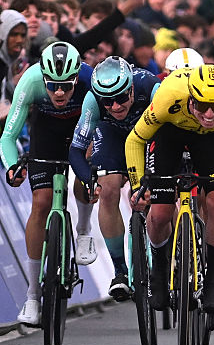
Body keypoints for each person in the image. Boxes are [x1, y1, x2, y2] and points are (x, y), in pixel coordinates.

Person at [125, 64, 214, 333]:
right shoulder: (168, 97)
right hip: (170, 133)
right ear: (191, 98)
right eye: (203, 105)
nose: (209, 114)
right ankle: (159, 270)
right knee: (160, 212)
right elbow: (134, 140)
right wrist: (138, 185)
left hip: (209, 140)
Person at [1, 42, 93, 326]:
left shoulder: (90, 80)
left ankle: (83, 231)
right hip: (45, 134)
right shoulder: (30, 81)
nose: (60, 93)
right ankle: (32, 295)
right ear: (43, 79)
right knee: (41, 204)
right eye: (52, 86)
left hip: (81, 131)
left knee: (87, 176)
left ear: (76, 77)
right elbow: (8, 136)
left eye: (66, 86)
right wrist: (13, 166)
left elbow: (102, 127)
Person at [68, 57, 160, 301]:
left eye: (121, 98)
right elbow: (76, 150)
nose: (116, 106)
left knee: (159, 191)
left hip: (150, 135)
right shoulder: (93, 100)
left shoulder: (150, 86)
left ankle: (163, 258)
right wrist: (88, 180)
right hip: (114, 136)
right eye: (108, 101)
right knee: (107, 189)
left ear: (131, 89)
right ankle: (120, 271)